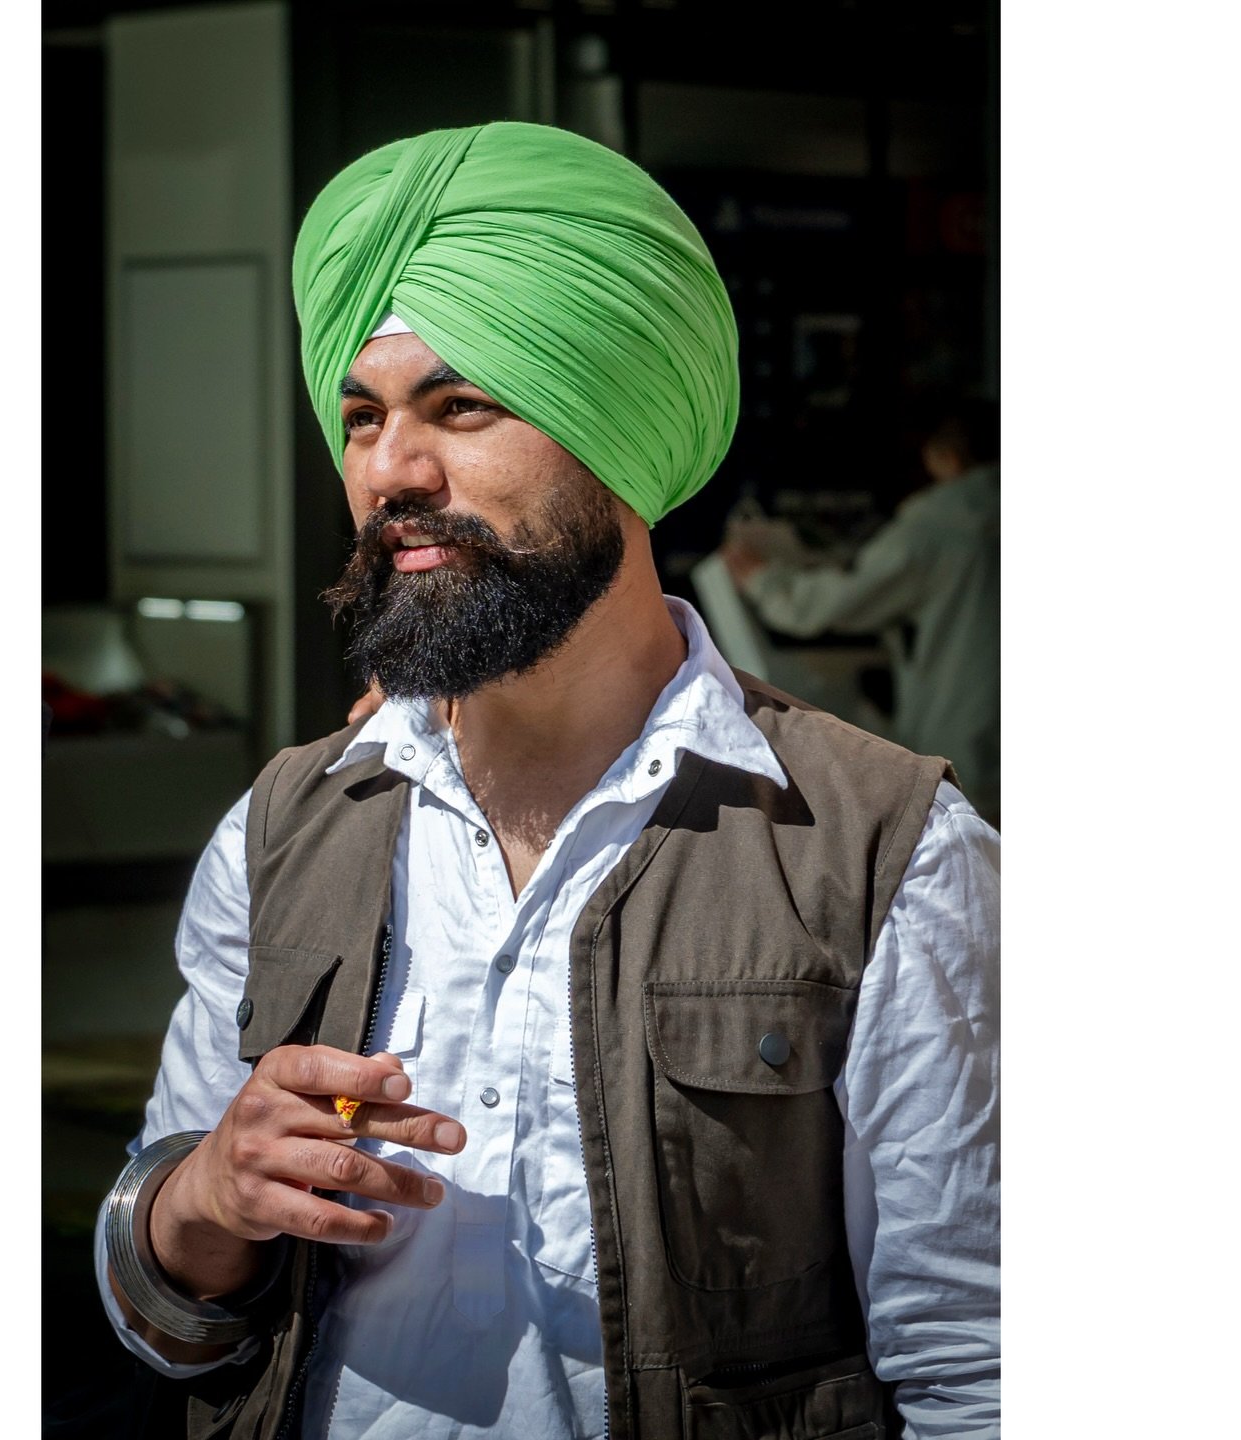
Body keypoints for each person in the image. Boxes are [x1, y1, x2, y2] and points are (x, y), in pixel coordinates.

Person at [97, 122, 1000, 1440]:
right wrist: (207, 1201)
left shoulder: (884, 850)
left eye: (461, 406)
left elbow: (979, 1362)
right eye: (362, 416)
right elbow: (161, 1322)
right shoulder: (286, 827)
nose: (392, 471)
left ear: (619, 434)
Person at [721, 403, 1001, 826]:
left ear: (943, 454)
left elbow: (834, 603)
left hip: (965, 741)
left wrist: (764, 581)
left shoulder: (941, 524)